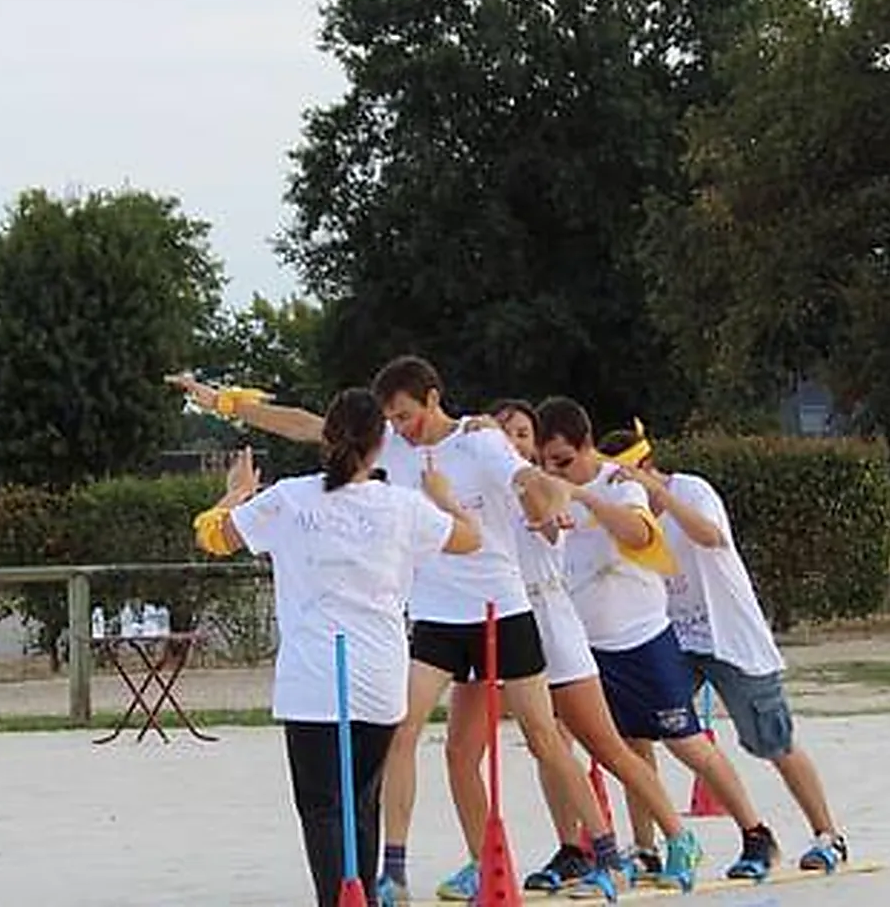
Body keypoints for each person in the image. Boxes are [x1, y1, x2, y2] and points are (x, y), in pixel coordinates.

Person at [167, 361, 621, 904]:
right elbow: (300, 423)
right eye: (390, 419)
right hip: (438, 613)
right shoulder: (388, 451)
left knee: (544, 738)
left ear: (432, 400)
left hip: (501, 605)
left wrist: (544, 492)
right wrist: (223, 402)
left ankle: (607, 853)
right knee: (411, 736)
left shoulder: (479, 441)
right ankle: (397, 870)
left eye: (405, 415)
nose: (399, 426)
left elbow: (533, 485)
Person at [191, 388, 483, 907]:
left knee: (322, 806)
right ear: (378, 448)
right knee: (362, 802)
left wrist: (234, 493)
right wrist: (445, 498)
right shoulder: (402, 505)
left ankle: (336, 900)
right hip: (379, 674)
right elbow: (468, 540)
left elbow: (214, 537)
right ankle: (363, 896)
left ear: (327, 441)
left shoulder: (288, 499)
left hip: (314, 677)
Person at [442, 400, 702, 897]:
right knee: (527, 747)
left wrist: (541, 498)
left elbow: (549, 513)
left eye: (522, 434)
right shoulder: (481, 486)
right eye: (503, 433)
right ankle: (536, 854)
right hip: (497, 618)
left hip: (551, 622)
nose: (513, 441)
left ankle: (678, 837)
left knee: (604, 745)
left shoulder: (541, 484)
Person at [534, 397, 780, 882]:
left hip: (643, 639)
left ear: (586, 448)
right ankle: (629, 848)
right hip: (587, 648)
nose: (555, 472)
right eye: (545, 463)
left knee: (687, 744)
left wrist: (583, 497)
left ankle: (755, 832)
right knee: (616, 748)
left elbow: (639, 535)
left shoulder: (619, 485)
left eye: (563, 461)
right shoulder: (547, 493)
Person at [597, 422, 849, 873]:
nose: (624, 488)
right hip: (669, 637)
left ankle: (827, 834)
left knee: (772, 740)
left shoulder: (690, 490)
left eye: (627, 476)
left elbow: (710, 536)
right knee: (638, 734)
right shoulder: (621, 512)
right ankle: (646, 847)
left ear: (648, 467)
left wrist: (658, 492)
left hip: (730, 637)